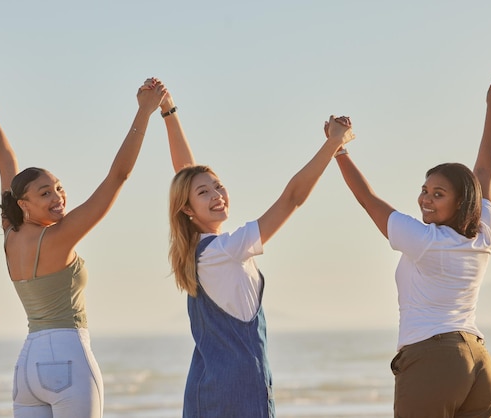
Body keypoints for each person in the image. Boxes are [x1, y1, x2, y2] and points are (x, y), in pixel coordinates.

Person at [0, 59, 167, 418]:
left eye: (59, 188)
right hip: (69, 358)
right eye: (45, 194)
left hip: (28, 367)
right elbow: (118, 177)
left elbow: (5, 160)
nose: (58, 198)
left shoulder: (10, 232)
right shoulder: (58, 238)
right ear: (24, 203)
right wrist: (144, 112)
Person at [142, 78, 355, 417]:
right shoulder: (225, 250)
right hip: (234, 395)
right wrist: (333, 144)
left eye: (218, 186)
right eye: (205, 193)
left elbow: (186, 174)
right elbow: (292, 198)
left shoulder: (204, 249)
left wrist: (169, 112)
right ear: (187, 209)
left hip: (214, 390)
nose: (217, 195)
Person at [333, 68, 491, 417]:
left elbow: (368, 200)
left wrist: (338, 149)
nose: (426, 199)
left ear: (459, 202)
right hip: (479, 363)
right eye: (424, 190)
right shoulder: (483, 234)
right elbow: (483, 173)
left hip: (434, 361)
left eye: (438, 194)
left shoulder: (425, 241)